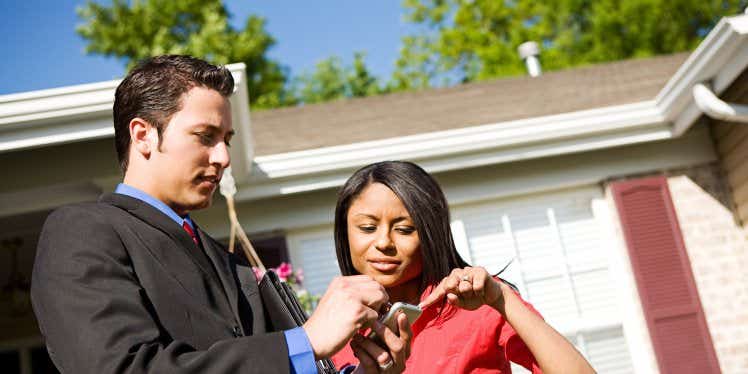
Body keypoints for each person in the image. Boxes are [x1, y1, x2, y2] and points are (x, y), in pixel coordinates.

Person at [30, 55, 410, 374]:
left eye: (226, 140)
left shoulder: (230, 264)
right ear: (143, 135)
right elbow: (121, 368)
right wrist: (305, 342)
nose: (223, 157)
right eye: (205, 136)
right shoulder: (82, 232)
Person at [331, 161, 596, 373]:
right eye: (367, 228)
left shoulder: (478, 303)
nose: (384, 242)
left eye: (404, 229)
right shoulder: (337, 328)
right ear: (345, 234)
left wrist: (503, 299)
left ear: (430, 233)